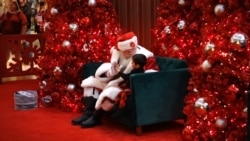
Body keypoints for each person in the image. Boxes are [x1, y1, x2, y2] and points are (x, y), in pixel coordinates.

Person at [72, 32, 159, 128]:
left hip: (125, 85)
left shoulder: (145, 56)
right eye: (124, 51)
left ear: (135, 46)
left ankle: (96, 117)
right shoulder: (117, 53)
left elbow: (151, 76)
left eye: (129, 51)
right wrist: (110, 72)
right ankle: (87, 113)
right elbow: (109, 70)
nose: (126, 53)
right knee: (90, 82)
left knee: (108, 93)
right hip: (112, 80)